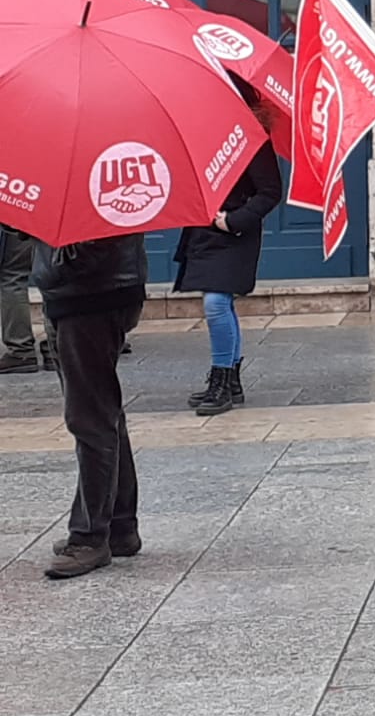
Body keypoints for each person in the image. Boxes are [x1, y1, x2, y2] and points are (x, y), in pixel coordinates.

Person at [32, 231, 148, 577]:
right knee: (101, 409)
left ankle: (89, 537)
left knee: (89, 417)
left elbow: (97, 238)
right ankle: (118, 525)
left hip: (91, 293)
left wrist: (58, 264)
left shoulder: (95, 179)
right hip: (77, 292)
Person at [174, 82, 283, 417]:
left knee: (216, 303)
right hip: (203, 232)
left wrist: (234, 220)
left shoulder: (252, 139)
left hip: (234, 234)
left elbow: (270, 192)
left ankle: (221, 380)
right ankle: (229, 379)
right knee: (220, 303)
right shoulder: (202, 134)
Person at [0, 221, 42, 374]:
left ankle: (21, 349)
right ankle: (54, 349)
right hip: (48, 211)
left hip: (17, 212)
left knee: (13, 277)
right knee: (52, 276)